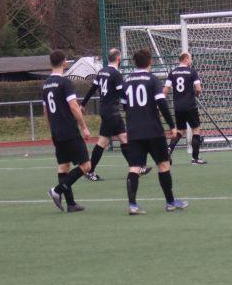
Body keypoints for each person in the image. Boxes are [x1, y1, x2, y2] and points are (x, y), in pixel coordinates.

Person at [120, 49, 188, 215]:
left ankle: (132, 205)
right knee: (163, 164)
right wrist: (172, 125)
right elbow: (162, 103)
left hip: (134, 130)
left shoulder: (126, 81)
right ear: (150, 61)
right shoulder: (152, 79)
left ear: (135, 62)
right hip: (153, 130)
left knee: (134, 167)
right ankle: (170, 202)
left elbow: (124, 105)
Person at [79, 48, 143, 181]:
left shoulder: (102, 71)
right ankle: (90, 171)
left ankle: (136, 167)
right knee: (104, 142)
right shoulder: (116, 74)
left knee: (122, 138)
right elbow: (122, 94)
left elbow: (92, 88)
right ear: (119, 59)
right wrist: (130, 107)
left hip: (106, 110)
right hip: (111, 112)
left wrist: (83, 103)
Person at [43, 50, 92, 213]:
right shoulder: (65, 82)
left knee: (64, 166)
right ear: (64, 62)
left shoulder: (46, 84)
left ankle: (71, 204)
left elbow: (45, 111)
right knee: (86, 166)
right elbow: (74, 107)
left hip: (57, 131)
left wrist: (52, 130)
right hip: (69, 130)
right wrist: (84, 127)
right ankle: (56, 190)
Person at [163, 52, 206, 164]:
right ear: (186, 59)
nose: (191, 61)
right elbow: (198, 89)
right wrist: (196, 94)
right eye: (190, 59)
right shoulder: (192, 72)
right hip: (190, 106)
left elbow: (165, 90)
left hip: (178, 107)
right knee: (196, 130)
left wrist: (160, 103)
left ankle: (168, 149)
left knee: (180, 131)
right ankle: (195, 158)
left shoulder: (172, 72)